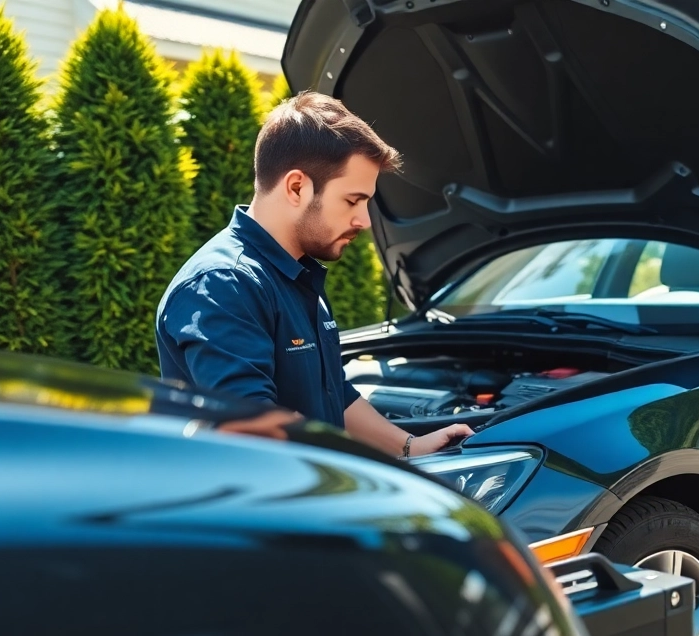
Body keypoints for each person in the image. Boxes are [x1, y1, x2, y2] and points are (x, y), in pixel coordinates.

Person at [156, 91, 473, 459]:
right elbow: (252, 430)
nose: (364, 221)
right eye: (352, 201)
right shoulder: (223, 284)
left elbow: (331, 394)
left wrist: (409, 447)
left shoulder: (296, 273)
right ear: (296, 187)